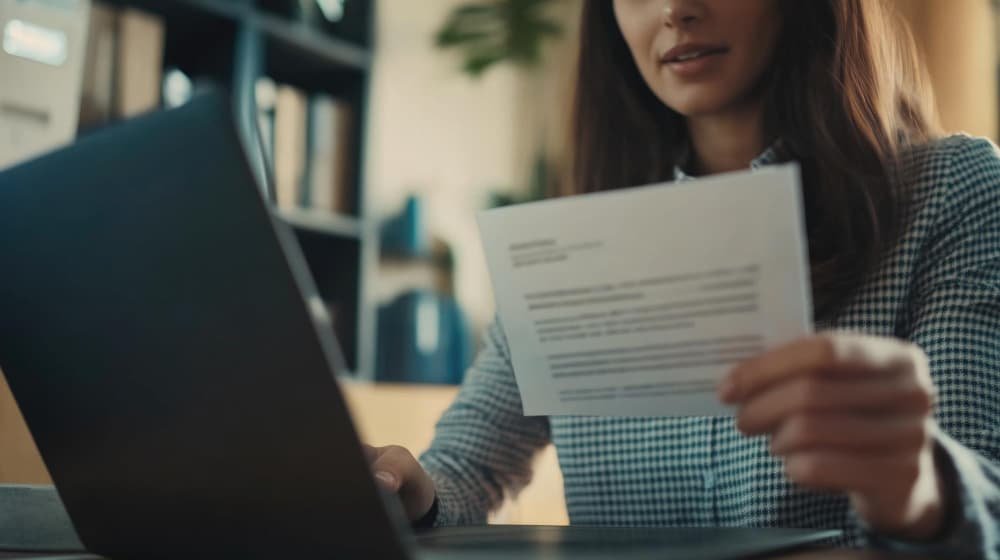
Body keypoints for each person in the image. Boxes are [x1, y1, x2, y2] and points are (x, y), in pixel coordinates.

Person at [364, 0, 1000, 556]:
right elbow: (464, 470)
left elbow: (987, 509)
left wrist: (923, 482)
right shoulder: (569, 246)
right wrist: (412, 490)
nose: (674, 8)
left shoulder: (950, 191)